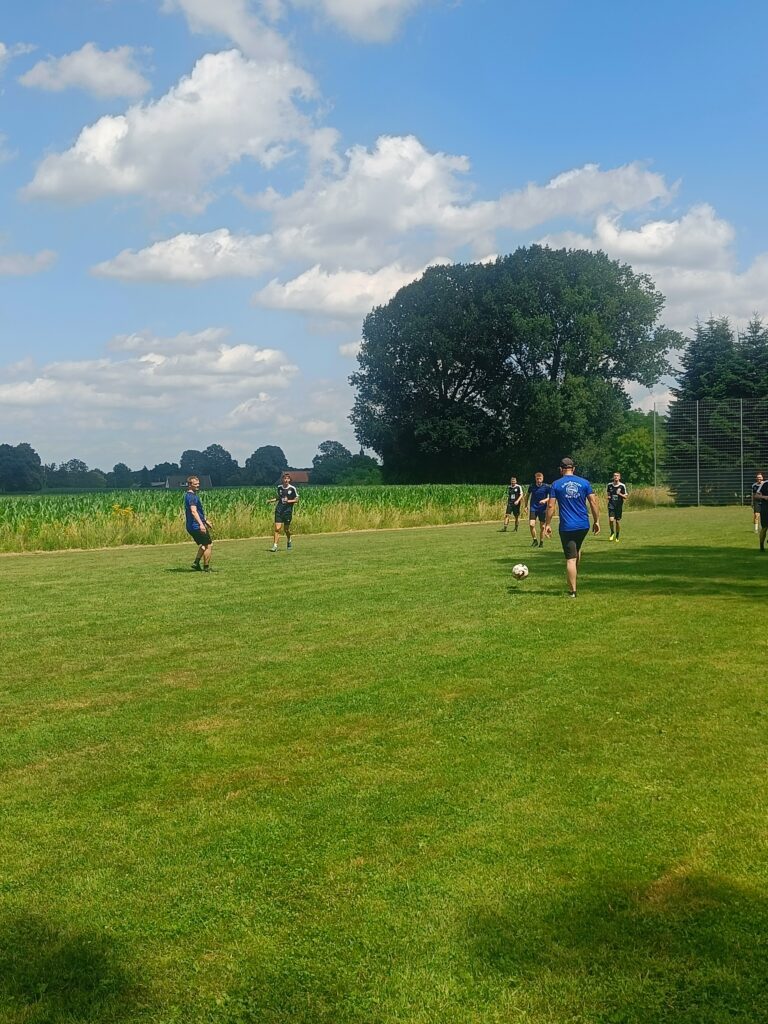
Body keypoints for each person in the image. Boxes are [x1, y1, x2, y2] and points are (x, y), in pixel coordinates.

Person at [544, 457, 600, 597]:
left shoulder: (556, 484)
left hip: (567, 526)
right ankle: (573, 575)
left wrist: (547, 524)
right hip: (583, 525)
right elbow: (593, 502)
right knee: (577, 549)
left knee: (570, 559)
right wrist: (597, 521)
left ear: (561, 469)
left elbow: (550, 506)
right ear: (573, 469)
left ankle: (572, 591)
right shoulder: (584, 482)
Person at [184, 475, 213, 571]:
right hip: (196, 526)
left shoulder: (189, 496)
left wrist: (205, 521)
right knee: (208, 545)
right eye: (195, 484)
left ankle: (196, 563)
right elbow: (193, 511)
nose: (198, 485)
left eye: (198, 484)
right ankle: (206, 567)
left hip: (191, 526)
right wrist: (201, 524)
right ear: (189, 485)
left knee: (204, 545)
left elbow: (198, 513)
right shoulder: (192, 497)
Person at [267, 472, 299, 551]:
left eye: (288, 479)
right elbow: (279, 497)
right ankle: (275, 546)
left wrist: (288, 501)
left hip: (287, 511)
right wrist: (271, 500)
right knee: (277, 529)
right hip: (279, 510)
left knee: (286, 530)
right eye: (285, 478)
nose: (286, 480)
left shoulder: (292, 488)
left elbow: (296, 500)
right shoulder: (279, 488)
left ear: (289, 480)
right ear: (282, 479)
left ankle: (289, 540)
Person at [525, 472, 550, 547]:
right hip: (533, 508)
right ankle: (535, 540)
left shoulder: (546, 487)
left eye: (540, 479)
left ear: (542, 479)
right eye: (537, 479)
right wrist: (525, 506)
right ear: (535, 479)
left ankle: (541, 542)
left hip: (542, 509)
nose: (539, 480)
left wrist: (545, 500)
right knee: (531, 524)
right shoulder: (532, 486)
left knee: (542, 527)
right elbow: (527, 496)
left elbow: (551, 497)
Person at [606, 471, 629, 542]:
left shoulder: (622, 486)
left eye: (617, 476)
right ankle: (612, 532)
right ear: (613, 477)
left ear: (619, 477)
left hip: (618, 506)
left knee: (617, 522)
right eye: (614, 475)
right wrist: (608, 497)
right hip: (611, 505)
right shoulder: (609, 485)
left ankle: (617, 535)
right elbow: (608, 494)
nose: (616, 477)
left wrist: (620, 494)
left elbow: (625, 497)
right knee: (611, 520)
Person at [754, 474, 768, 551]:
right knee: (765, 528)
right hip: (766, 509)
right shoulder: (764, 484)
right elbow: (756, 496)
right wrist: (764, 497)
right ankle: (761, 545)